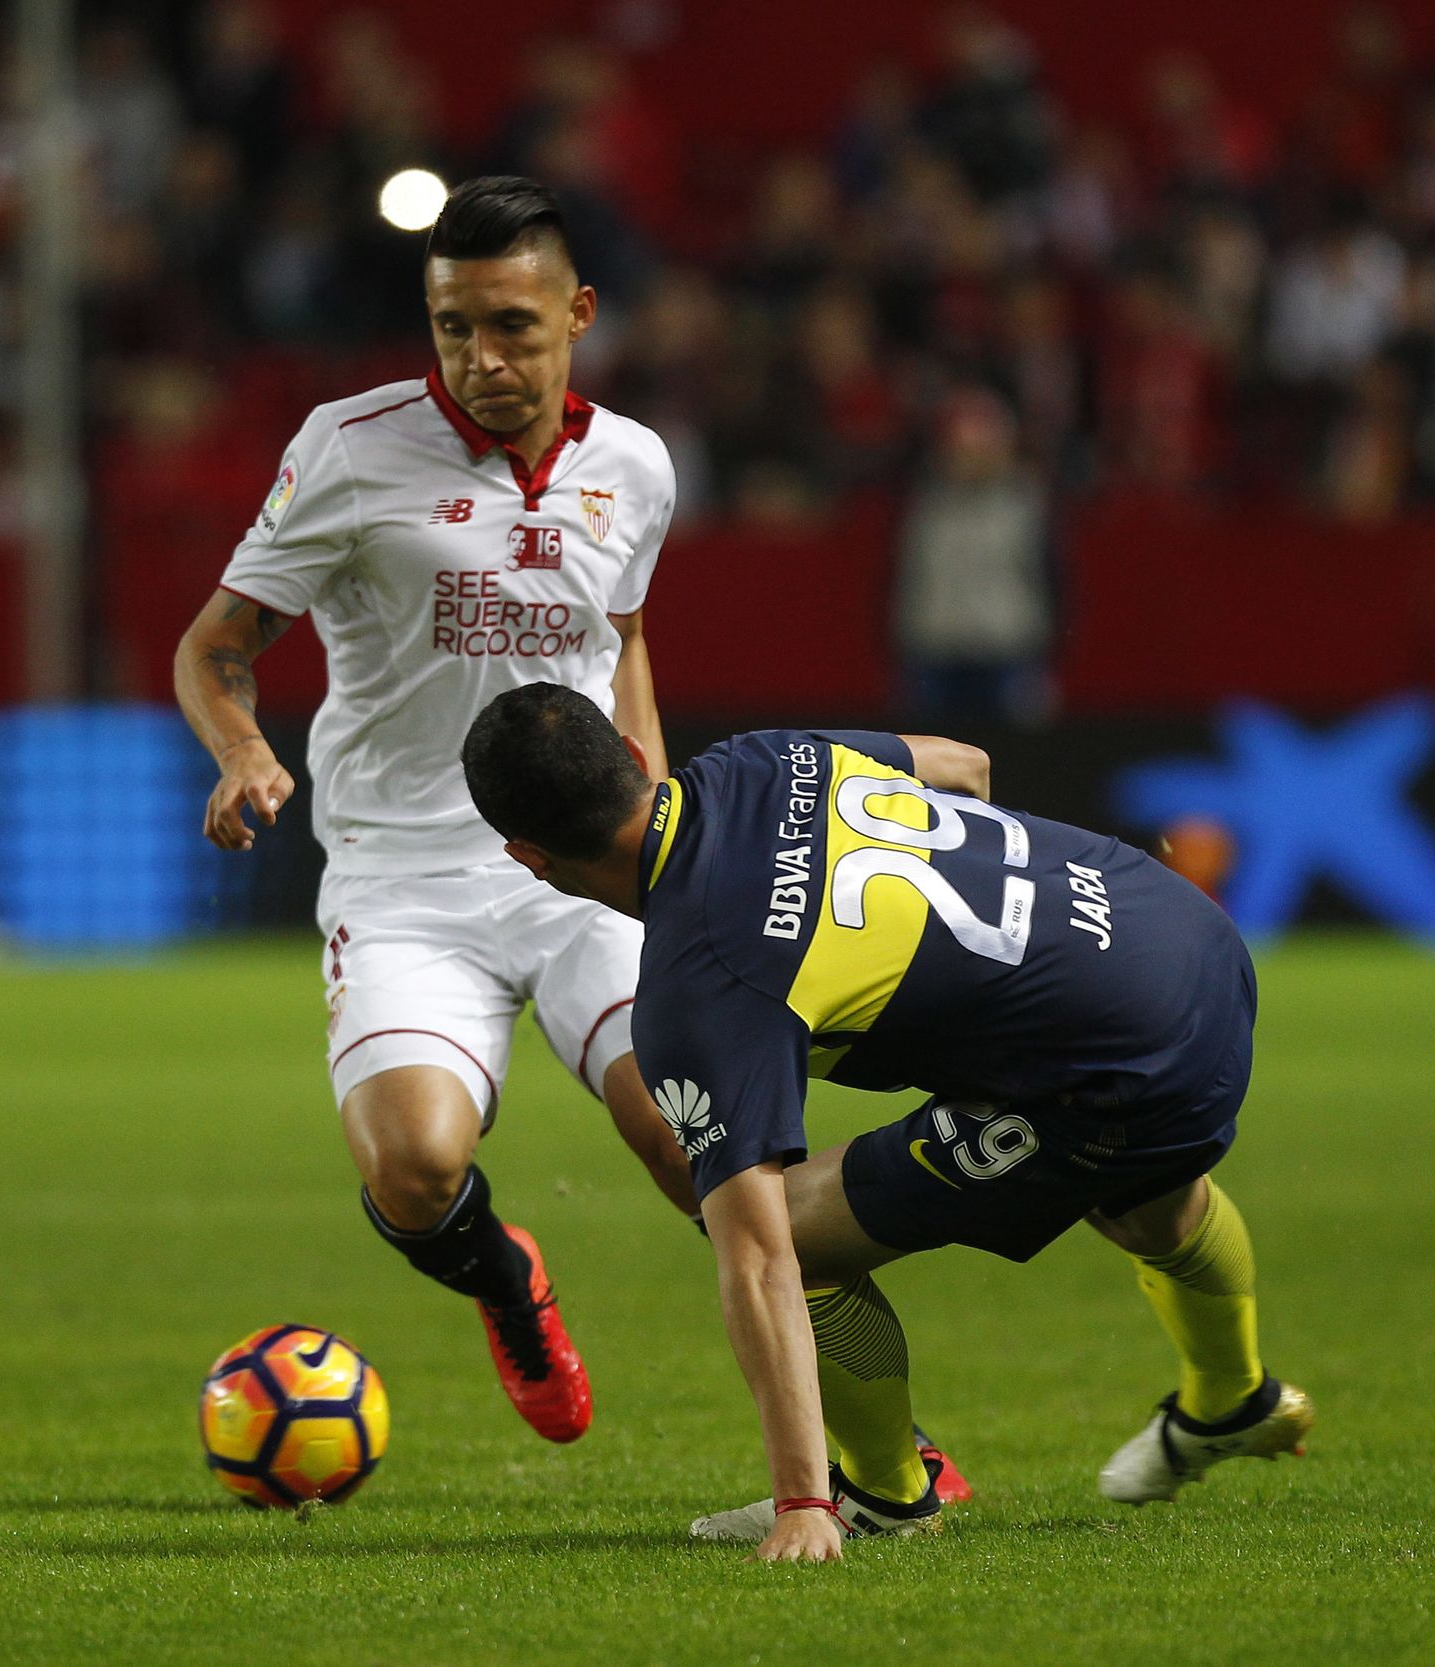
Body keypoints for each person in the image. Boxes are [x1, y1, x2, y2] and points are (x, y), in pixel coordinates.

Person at [461, 684, 1316, 1562]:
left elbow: (761, 1260)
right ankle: (1233, 1398)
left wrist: (798, 1501)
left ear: (528, 857)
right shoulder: (760, 756)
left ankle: (881, 1494)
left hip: (1122, 1064)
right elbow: (966, 767)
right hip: (1180, 931)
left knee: (797, 1234)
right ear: (637, 760)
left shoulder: (698, 988)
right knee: (1142, 1196)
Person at [173, 176, 698, 1449]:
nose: (480, 358)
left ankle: (874, 1448)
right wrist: (242, 752)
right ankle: (507, 1281)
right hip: (402, 872)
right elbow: (214, 645)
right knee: (414, 1171)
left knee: (702, 1145)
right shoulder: (348, 447)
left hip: (581, 864)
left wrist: (656, 817)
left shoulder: (634, 466)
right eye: (453, 326)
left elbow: (621, 639)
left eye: (511, 325)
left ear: (578, 313)